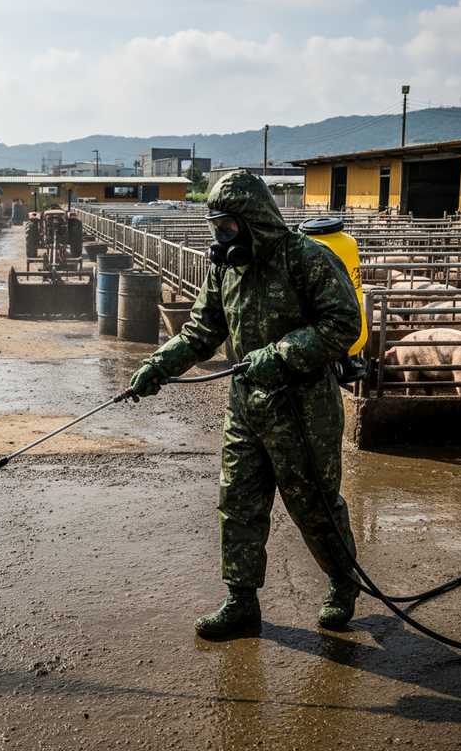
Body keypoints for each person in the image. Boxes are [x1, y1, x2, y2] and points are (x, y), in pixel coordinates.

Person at [128, 170, 363, 639]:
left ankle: (343, 582)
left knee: (313, 505)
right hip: (247, 406)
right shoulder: (224, 268)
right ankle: (241, 602)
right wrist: (159, 364)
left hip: (303, 410)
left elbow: (344, 323)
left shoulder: (306, 259)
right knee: (237, 503)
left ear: (254, 219)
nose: (221, 236)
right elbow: (201, 331)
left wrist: (280, 354)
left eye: (227, 226)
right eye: (215, 226)